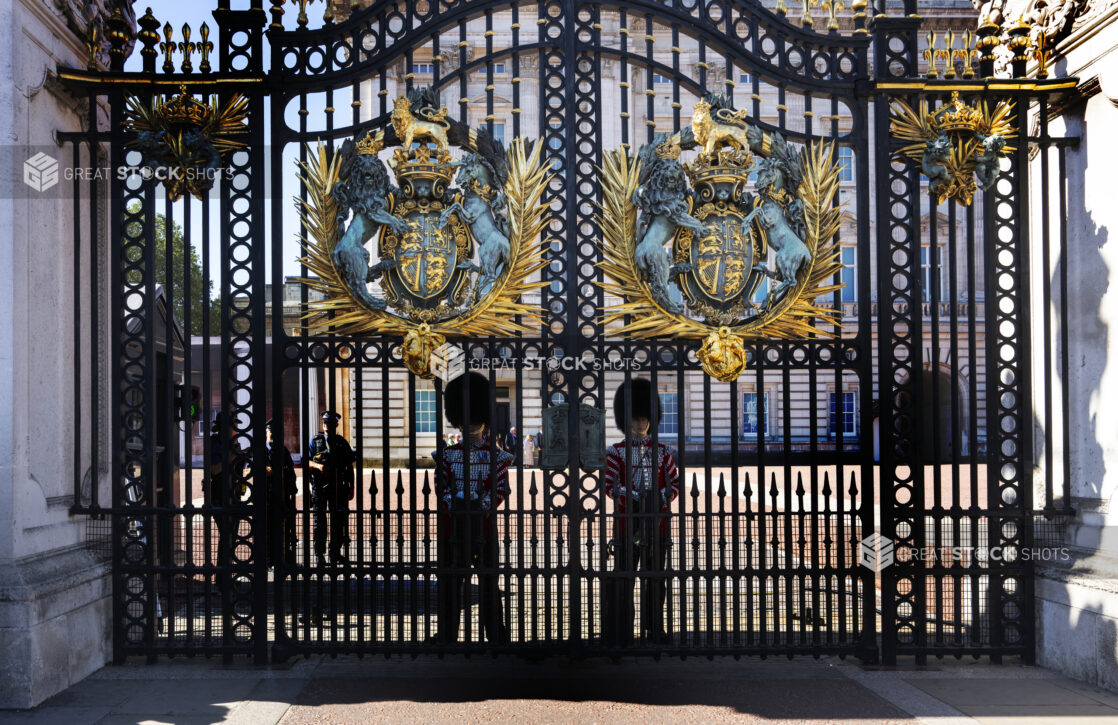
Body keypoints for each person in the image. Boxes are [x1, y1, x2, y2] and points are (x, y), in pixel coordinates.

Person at [430, 372, 512, 644]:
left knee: (489, 584)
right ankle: (447, 634)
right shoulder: (446, 454)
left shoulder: (498, 456)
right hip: (453, 528)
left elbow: (500, 489)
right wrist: (455, 504)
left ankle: (496, 635)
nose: (470, 424)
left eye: (474, 419)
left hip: (484, 528)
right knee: (451, 584)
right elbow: (441, 487)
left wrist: (479, 505)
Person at [602, 378, 680, 646]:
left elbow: (674, 482)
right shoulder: (616, 452)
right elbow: (609, 484)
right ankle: (622, 628)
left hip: (656, 525)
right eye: (635, 419)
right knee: (626, 580)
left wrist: (663, 495)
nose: (640, 424)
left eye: (644, 418)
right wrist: (629, 497)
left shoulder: (662, 451)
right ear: (627, 420)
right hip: (627, 525)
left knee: (655, 580)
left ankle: (653, 627)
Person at [306, 410, 356, 566]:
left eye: (330, 423)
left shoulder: (342, 442)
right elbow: (306, 461)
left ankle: (335, 553)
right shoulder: (315, 441)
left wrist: (352, 487)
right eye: (324, 422)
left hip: (338, 486)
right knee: (318, 521)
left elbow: (349, 467)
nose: (326, 425)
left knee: (338, 520)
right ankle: (319, 554)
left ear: (336, 424)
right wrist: (318, 466)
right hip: (319, 486)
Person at [246, 419, 297, 567]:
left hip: (280, 496)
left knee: (282, 529)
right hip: (264, 497)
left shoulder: (283, 450)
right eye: (271, 433)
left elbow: (291, 474)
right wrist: (263, 470)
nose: (273, 436)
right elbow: (247, 470)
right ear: (266, 433)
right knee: (263, 529)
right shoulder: (258, 450)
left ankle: (282, 559)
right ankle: (264, 561)